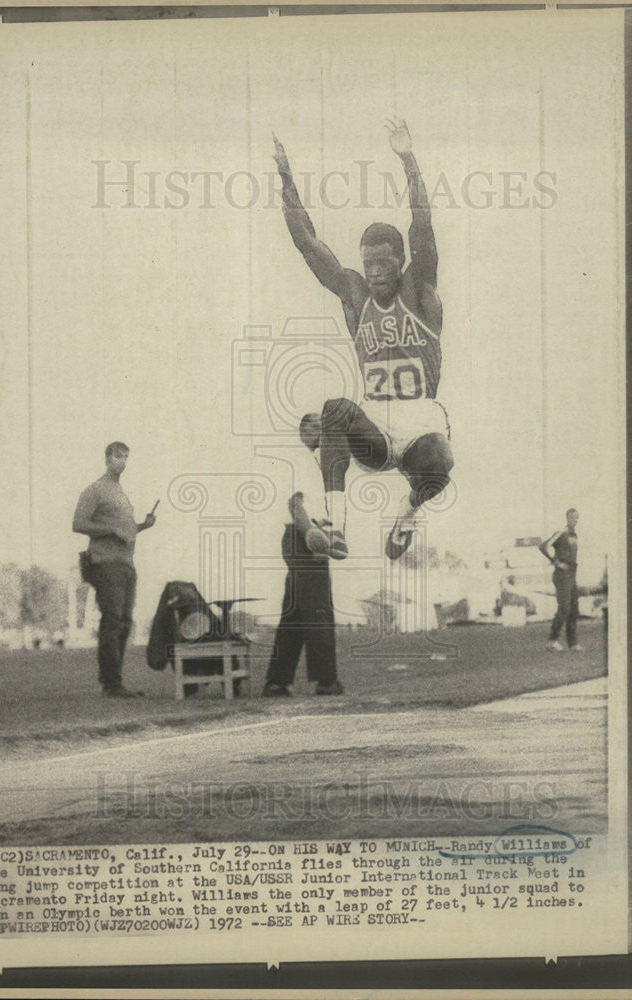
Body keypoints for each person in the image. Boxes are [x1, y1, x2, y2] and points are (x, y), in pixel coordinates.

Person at [273, 118, 454, 562]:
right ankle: (335, 527)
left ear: (400, 262)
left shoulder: (419, 291)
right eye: (367, 262)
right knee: (334, 409)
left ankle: (407, 513)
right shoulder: (354, 295)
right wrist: (286, 178)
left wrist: (408, 158)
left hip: (421, 427)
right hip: (375, 426)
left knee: (439, 463)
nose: (373, 270)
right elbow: (308, 243)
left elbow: (422, 226)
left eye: (382, 262)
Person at [262, 414, 343, 697]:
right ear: (301, 431)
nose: (318, 432)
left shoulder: (313, 460)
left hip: (311, 536)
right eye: (312, 427)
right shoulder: (296, 458)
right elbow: (294, 502)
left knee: (295, 613)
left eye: (322, 427)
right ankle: (327, 681)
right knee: (319, 608)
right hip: (304, 537)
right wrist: (311, 535)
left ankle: (277, 681)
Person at [73, 442, 157, 696]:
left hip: (125, 564)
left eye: (126, 457)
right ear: (107, 458)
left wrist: (142, 526)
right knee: (113, 621)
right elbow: (78, 523)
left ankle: (115, 682)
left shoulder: (120, 492)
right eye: (118, 456)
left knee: (125, 622)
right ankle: (111, 684)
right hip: (106, 564)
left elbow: (125, 531)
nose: (122, 461)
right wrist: (111, 530)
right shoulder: (96, 489)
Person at [539, 508, 582, 652]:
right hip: (561, 576)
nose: (574, 520)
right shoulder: (561, 532)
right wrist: (555, 562)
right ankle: (552, 641)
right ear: (567, 518)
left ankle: (573, 643)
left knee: (574, 609)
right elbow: (543, 546)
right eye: (571, 517)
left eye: (576, 517)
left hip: (572, 574)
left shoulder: (574, 535)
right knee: (564, 608)